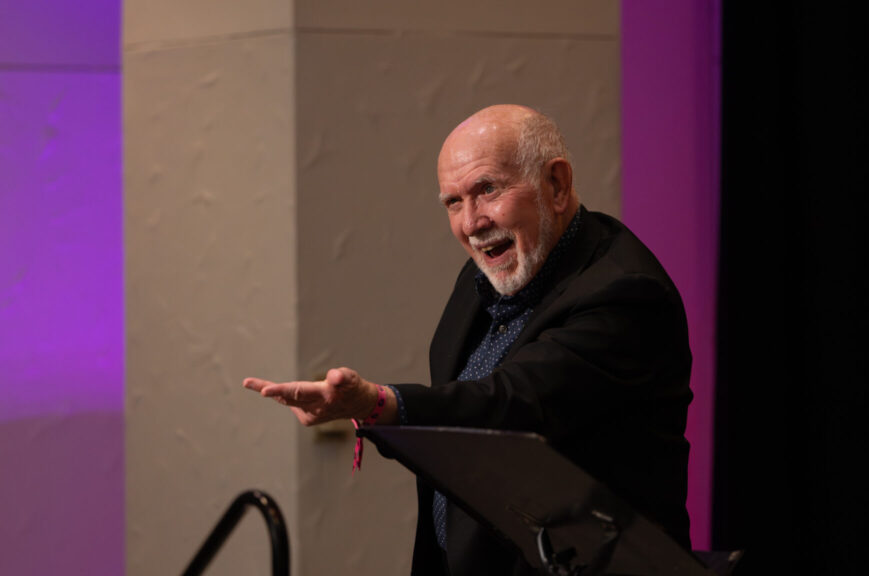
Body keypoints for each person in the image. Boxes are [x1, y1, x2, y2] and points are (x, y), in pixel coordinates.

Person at [244, 104, 693, 575]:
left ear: (557, 185)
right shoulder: (485, 276)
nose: (472, 222)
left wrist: (381, 404)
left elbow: (511, 407)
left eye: (487, 190)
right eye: (454, 202)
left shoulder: (625, 293)